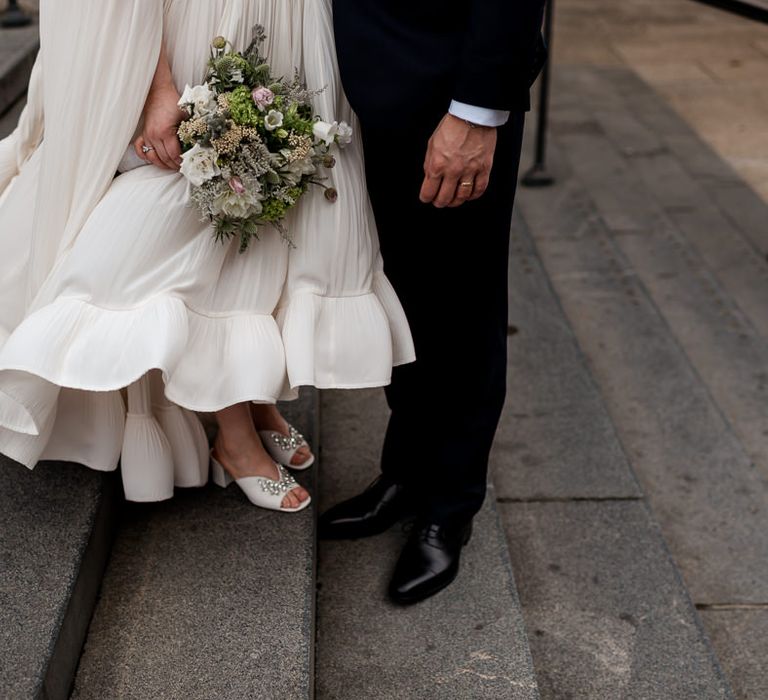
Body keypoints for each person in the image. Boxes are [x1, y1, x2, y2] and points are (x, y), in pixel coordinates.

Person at [0, 0, 414, 511]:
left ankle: (256, 398)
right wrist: (156, 86)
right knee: (211, 201)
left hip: (295, 21)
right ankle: (234, 437)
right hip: (206, 21)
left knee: (278, 187)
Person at [321, 0, 548, 601]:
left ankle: (450, 505)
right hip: (366, 80)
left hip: (450, 88)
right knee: (402, 293)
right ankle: (406, 473)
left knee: (462, 303)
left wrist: (477, 110)